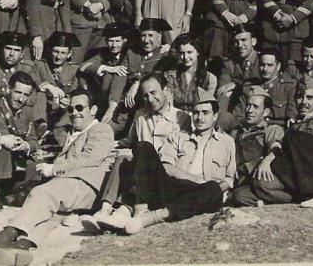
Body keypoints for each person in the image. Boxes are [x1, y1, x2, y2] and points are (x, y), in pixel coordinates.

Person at [0, 89, 114, 266]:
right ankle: (19, 248)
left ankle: (5, 236)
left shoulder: (101, 129)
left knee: (43, 193)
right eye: (71, 109)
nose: (75, 113)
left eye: (80, 108)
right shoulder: (73, 133)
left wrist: (53, 169)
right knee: (50, 217)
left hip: (83, 183)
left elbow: (91, 157)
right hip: (72, 189)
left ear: (94, 110)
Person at [119, 90, 236, 234]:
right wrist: (197, 180)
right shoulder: (178, 136)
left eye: (205, 113)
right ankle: (140, 211)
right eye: (196, 113)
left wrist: (207, 185)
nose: (200, 118)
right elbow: (167, 166)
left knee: (214, 189)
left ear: (215, 116)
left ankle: (153, 217)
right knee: (144, 146)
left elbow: (229, 180)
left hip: (202, 193)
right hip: (176, 187)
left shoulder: (227, 142)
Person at [90, 73, 191, 231]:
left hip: (162, 175)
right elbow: (130, 141)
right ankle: (106, 209)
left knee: (141, 151)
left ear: (165, 90)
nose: (150, 99)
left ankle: (123, 209)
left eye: (153, 93)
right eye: (145, 95)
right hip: (140, 173)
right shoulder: (140, 116)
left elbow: (181, 151)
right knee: (123, 157)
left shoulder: (181, 118)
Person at [232, 78, 313, 207]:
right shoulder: (292, 126)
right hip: (299, 174)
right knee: (257, 185)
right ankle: (309, 198)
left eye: (309, 98)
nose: (304, 102)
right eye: (300, 97)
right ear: (295, 100)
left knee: (292, 136)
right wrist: (266, 161)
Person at [0, 71, 46, 209]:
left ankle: (16, 193)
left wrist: (25, 145)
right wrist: (1, 140)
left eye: (25, 95)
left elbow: (34, 141)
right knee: (3, 150)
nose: (21, 99)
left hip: (16, 166)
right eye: (18, 92)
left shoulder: (27, 113)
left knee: (38, 165)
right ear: (8, 89)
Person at [0, 30, 56, 122]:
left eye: (17, 50)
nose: (12, 54)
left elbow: (35, 91)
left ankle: (37, 124)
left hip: (17, 112)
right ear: (1, 49)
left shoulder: (27, 68)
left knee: (39, 93)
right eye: (8, 48)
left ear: (22, 54)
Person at [229, 88, 285, 187]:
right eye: (248, 105)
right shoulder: (235, 132)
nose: (250, 110)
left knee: (240, 196)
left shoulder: (270, 130)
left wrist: (266, 161)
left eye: (255, 107)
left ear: (266, 112)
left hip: (255, 180)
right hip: (234, 180)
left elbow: (276, 148)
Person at [228, 49, 298, 126]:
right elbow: (239, 115)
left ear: (278, 66)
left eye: (270, 65)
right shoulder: (249, 87)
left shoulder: (288, 87)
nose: (265, 69)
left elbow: (291, 117)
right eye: (262, 64)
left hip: (277, 131)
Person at [163, 33, 218, 116]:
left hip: (198, 118)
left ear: (198, 52)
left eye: (189, 52)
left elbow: (206, 106)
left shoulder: (210, 78)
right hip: (175, 117)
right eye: (182, 53)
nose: (185, 57)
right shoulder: (170, 76)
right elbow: (168, 104)